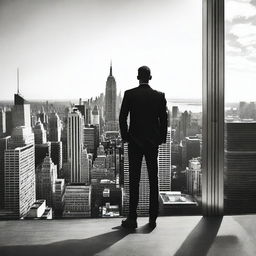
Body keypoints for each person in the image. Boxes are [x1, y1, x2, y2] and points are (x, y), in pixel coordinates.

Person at [119, 66, 168, 229]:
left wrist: (126, 137)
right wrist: (160, 139)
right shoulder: (159, 96)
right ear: (150, 77)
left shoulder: (129, 94)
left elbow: (122, 117)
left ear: (137, 77)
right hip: (152, 143)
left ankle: (132, 218)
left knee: (134, 180)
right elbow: (164, 120)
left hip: (134, 142)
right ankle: (153, 218)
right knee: (154, 180)